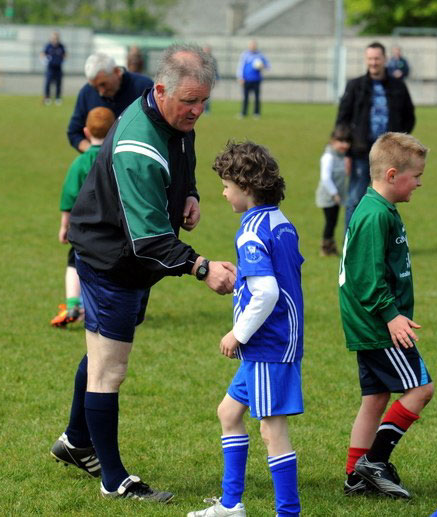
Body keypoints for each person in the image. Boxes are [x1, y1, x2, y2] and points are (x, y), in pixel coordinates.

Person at [50, 43, 236, 503]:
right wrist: (200, 266)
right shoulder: (137, 144)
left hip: (130, 261)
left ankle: (75, 441)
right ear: (160, 90)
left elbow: (183, 152)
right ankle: (113, 480)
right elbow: (148, 239)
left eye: (203, 101)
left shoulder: (174, 116)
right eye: (189, 101)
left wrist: (188, 193)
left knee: (100, 352)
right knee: (109, 369)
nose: (197, 110)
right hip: (111, 259)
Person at [188, 141, 304, 517]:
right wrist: (245, 282)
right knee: (229, 412)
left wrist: (238, 333)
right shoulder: (280, 221)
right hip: (273, 341)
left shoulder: (251, 231)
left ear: (246, 186)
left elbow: (268, 292)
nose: (223, 192)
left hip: (268, 344)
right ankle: (231, 504)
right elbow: (279, 277)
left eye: (226, 185)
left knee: (272, 431)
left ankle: (288, 512)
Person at [339, 132, 434, 499]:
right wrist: (391, 315)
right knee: (421, 389)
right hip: (380, 324)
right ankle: (374, 462)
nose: (420, 183)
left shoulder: (378, 208)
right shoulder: (375, 215)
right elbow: (366, 278)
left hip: (371, 322)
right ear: (392, 174)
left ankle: (355, 477)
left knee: (375, 398)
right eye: (416, 176)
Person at [335, 41, 415, 230]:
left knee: (388, 200)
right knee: (355, 198)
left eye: (377, 58)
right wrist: (345, 150)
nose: (373, 62)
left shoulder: (398, 86)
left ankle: (386, 241)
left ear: (384, 59)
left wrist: (399, 142)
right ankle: (351, 241)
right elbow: (343, 118)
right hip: (361, 152)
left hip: (389, 154)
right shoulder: (355, 86)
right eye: (370, 59)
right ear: (366, 60)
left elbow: (409, 116)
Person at [51, 107, 116, 328]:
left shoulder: (80, 163)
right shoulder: (116, 160)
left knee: (74, 264)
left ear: (86, 132)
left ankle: (72, 304)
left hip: (83, 230)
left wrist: (63, 227)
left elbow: (69, 197)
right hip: (112, 229)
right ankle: (100, 307)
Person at [67, 52, 153, 152]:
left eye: (103, 84)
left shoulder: (144, 87)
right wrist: (95, 153)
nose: (101, 92)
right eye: (95, 87)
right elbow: (74, 132)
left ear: (117, 72)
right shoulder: (86, 93)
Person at [315, 125, 351, 256]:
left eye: (347, 142)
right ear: (332, 141)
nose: (344, 145)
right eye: (341, 141)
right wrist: (334, 194)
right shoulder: (328, 157)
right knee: (330, 222)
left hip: (337, 196)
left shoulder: (342, 156)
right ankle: (326, 247)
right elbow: (325, 178)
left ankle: (331, 246)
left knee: (333, 221)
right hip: (328, 196)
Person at [236, 40, 270, 119]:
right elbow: (241, 66)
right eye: (251, 45)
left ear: (256, 46)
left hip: (256, 80)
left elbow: (268, 66)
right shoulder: (245, 55)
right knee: (245, 97)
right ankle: (244, 113)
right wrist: (240, 77)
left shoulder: (260, 55)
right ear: (249, 46)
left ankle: (256, 113)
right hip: (246, 80)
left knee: (257, 97)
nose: (252, 46)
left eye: (254, 45)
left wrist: (263, 66)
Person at [41, 31, 66, 106]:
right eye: (54, 38)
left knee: (58, 83)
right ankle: (47, 98)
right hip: (50, 68)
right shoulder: (48, 46)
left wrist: (63, 60)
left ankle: (58, 98)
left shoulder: (61, 46)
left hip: (58, 68)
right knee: (48, 83)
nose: (55, 39)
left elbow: (65, 54)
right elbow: (42, 54)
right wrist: (44, 60)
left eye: (56, 38)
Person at [202, 45, 219, 114]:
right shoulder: (200, 58)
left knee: (207, 96)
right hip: (201, 79)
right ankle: (201, 109)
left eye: (208, 49)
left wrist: (217, 78)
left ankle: (207, 110)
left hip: (209, 80)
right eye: (205, 49)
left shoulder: (213, 59)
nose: (206, 51)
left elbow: (216, 69)